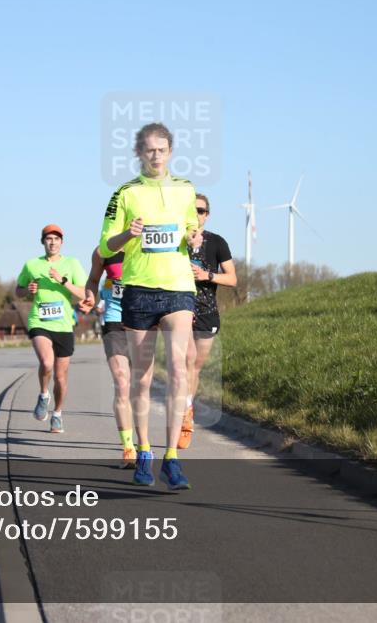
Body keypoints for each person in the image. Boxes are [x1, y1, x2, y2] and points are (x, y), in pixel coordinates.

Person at [98, 122, 201, 490]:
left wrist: (193, 236)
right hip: (139, 290)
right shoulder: (124, 194)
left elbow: (191, 228)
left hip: (178, 288)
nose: (155, 155)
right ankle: (144, 451)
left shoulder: (186, 189)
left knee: (178, 370)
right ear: (139, 153)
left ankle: (172, 457)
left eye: (161, 149)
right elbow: (105, 245)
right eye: (149, 150)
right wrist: (128, 233)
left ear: (170, 151)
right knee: (141, 378)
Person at [15, 224, 87, 434]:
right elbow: (18, 290)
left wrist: (63, 281)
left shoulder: (72, 264)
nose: (52, 242)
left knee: (61, 377)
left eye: (56, 239)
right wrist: (27, 290)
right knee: (46, 362)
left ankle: (57, 414)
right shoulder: (31, 265)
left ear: (61, 242)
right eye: (49, 239)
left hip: (63, 325)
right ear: (43, 242)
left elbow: (83, 294)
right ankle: (44, 394)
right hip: (39, 321)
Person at [180, 193, 237, 449]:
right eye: (192, 210)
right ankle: (183, 413)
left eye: (201, 210)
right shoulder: (177, 241)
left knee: (194, 367)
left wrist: (208, 275)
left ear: (207, 215)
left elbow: (232, 279)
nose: (196, 214)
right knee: (184, 363)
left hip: (207, 313)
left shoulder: (217, 242)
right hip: (180, 310)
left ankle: (186, 410)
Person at [80, 247, 135, 468]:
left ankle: (144, 444)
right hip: (114, 320)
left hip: (143, 321)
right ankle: (128, 447)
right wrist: (90, 297)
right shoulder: (103, 250)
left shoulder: (146, 242)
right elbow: (93, 280)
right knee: (122, 381)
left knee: (140, 386)